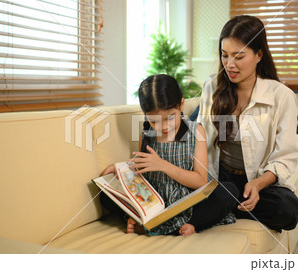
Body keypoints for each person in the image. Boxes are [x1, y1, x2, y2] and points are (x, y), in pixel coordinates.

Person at [196, 15, 298, 232]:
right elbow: (200, 137)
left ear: (259, 55)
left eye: (239, 56)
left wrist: (256, 184)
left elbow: (285, 157)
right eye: (224, 55)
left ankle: (225, 209)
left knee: (287, 210)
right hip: (222, 179)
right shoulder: (212, 87)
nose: (229, 64)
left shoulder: (282, 96)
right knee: (222, 193)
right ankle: (228, 205)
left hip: (258, 180)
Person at [101, 74, 237, 236]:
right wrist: (122, 169)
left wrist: (163, 165)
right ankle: (145, 222)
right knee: (104, 195)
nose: (164, 127)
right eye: (154, 121)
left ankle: (189, 223)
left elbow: (200, 180)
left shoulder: (195, 131)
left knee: (228, 191)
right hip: (156, 203)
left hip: (188, 203)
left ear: (181, 105)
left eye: (170, 118)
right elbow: (142, 167)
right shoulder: (147, 132)